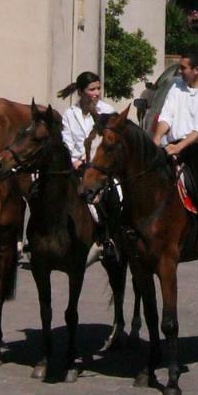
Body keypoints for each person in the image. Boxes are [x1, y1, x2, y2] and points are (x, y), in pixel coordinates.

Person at [153, 50, 198, 262]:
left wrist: (178, 147)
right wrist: (157, 137)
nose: (180, 71)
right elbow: (166, 116)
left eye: (183, 68)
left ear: (197, 70)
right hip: (172, 144)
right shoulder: (176, 88)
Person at [58, 71, 119, 259]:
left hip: (101, 167)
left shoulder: (107, 111)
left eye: (99, 88)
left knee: (114, 196)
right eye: (92, 89)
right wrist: (75, 161)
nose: (97, 93)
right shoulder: (69, 114)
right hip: (77, 166)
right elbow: (66, 142)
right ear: (81, 92)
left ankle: (109, 238)